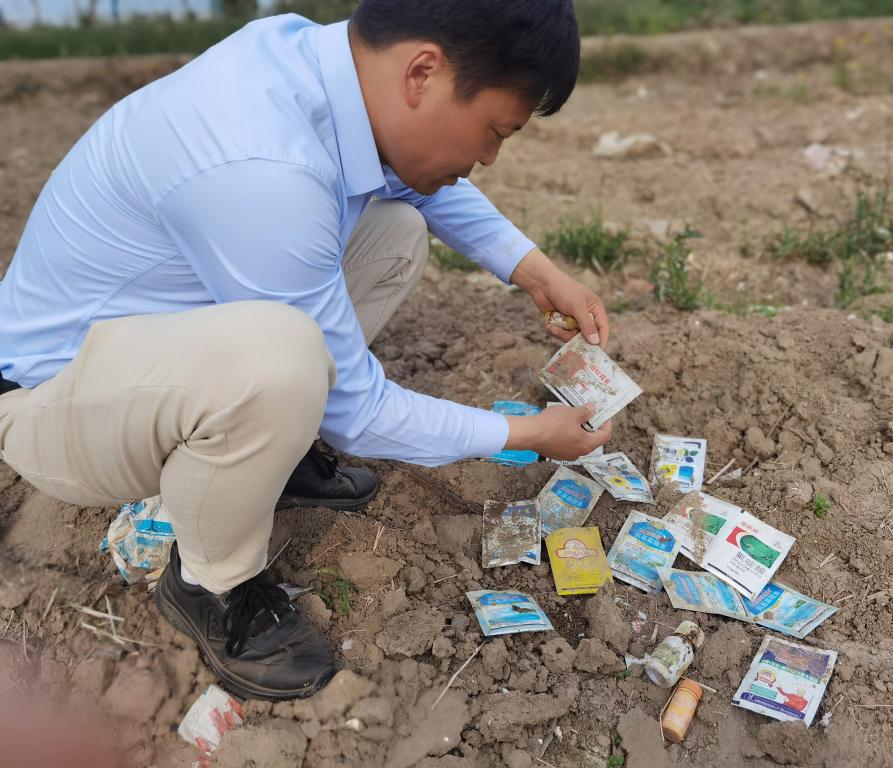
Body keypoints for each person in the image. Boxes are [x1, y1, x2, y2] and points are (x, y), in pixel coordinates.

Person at [0, 0, 612, 700]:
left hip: (147, 351)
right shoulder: (260, 161)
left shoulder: (314, 65)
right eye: (495, 131)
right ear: (422, 72)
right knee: (278, 364)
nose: (487, 158)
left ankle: (265, 452)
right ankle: (211, 584)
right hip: (53, 403)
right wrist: (527, 434)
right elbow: (361, 414)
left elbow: (422, 176)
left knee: (393, 234)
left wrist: (535, 270)